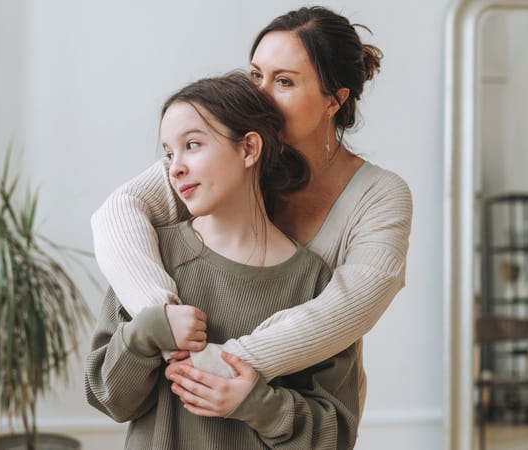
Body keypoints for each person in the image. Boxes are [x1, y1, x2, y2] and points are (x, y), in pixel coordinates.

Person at [90, 5, 412, 417]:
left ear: (335, 100)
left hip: (289, 412)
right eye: (256, 74)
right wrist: (161, 314)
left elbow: (346, 311)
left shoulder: (381, 196)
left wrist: (228, 365)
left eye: (284, 82)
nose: (260, 94)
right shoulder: (230, 158)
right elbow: (117, 213)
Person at [85, 72, 360, 449]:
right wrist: (147, 330)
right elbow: (109, 398)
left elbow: (336, 434)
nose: (174, 168)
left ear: (248, 149)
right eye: (169, 153)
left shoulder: (313, 282)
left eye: (192, 145)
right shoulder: (150, 260)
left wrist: (257, 405)